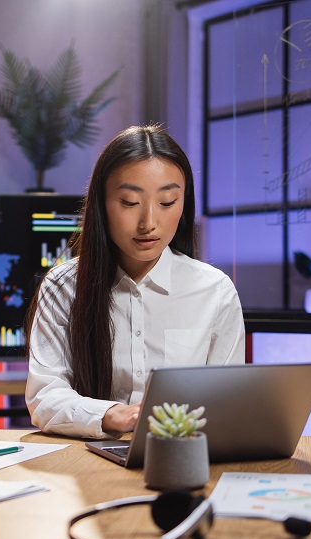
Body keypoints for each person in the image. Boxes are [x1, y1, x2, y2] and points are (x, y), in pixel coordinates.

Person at [24, 124, 245, 439]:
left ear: (184, 206)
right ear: (102, 204)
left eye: (167, 202)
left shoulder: (215, 291)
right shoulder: (63, 286)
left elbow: (229, 400)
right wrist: (113, 415)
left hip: (182, 456)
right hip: (87, 460)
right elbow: (44, 396)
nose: (149, 223)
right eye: (129, 202)